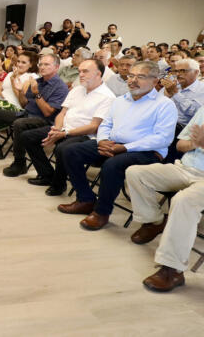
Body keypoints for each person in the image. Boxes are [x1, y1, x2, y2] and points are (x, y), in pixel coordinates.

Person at [57, 61, 178, 231]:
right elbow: (106, 124)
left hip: (146, 152)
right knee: (70, 151)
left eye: (140, 77)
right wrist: (102, 141)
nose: (133, 80)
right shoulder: (121, 100)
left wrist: (125, 148)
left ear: (155, 81)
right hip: (114, 144)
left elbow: (162, 139)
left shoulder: (164, 105)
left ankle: (101, 212)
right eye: (131, 75)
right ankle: (85, 199)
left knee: (112, 165)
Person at [126, 107, 204, 292]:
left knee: (183, 201)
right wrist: (195, 143)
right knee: (135, 173)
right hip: (185, 168)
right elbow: (180, 145)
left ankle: (173, 269)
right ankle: (154, 222)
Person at [19, 59, 115, 193]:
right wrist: (57, 129)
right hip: (63, 129)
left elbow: (94, 126)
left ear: (98, 74)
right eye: (80, 71)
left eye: (85, 71)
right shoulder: (77, 89)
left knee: (62, 147)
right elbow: (62, 113)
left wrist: (64, 134)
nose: (80, 74)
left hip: (85, 135)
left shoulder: (107, 97)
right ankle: (46, 174)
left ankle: (59, 184)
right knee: (27, 137)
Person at [0, 54, 69, 161]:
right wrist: (20, 91)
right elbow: (24, 104)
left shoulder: (60, 87)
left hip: (44, 120)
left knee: (19, 124)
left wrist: (37, 94)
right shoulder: (38, 81)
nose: (42, 67)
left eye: (46, 64)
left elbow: (48, 113)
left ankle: (19, 162)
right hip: (26, 114)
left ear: (56, 67)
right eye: (41, 64)